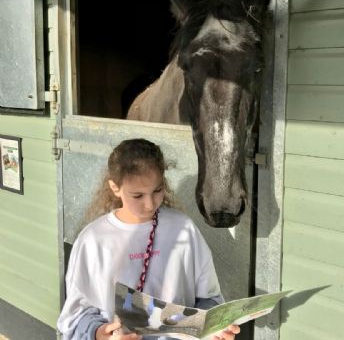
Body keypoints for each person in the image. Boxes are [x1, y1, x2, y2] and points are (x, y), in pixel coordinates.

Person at [57, 138, 240, 340]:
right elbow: (75, 318)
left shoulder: (183, 229)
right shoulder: (93, 240)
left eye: (157, 190)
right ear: (115, 188)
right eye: (137, 196)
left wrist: (215, 327)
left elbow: (209, 298)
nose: (150, 204)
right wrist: (100, 334)